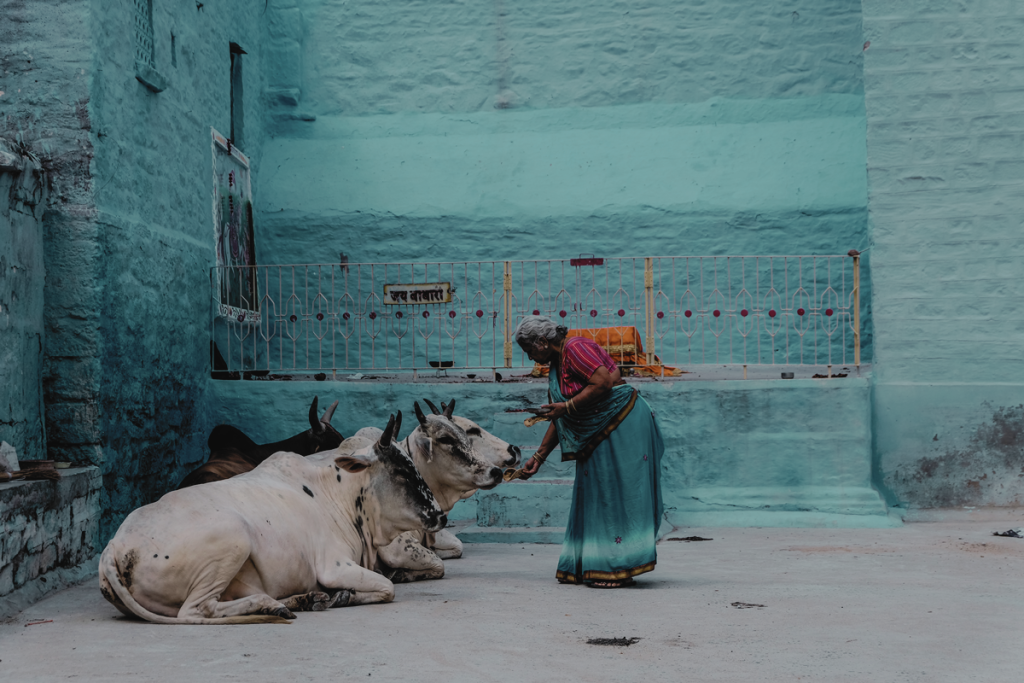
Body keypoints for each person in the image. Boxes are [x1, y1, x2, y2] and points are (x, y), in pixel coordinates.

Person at [514, 315, 664, 588]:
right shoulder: (556, 365)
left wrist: (567, 408)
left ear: (543, 342)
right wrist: (538, 457)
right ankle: (593, 562)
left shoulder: (575, 348)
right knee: (595, 492)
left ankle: (619, 566)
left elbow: (603, 382)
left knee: (617, 492)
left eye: (529, 351)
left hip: (622, 420)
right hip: (595, 428)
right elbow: (560, 416)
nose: (530, 358)